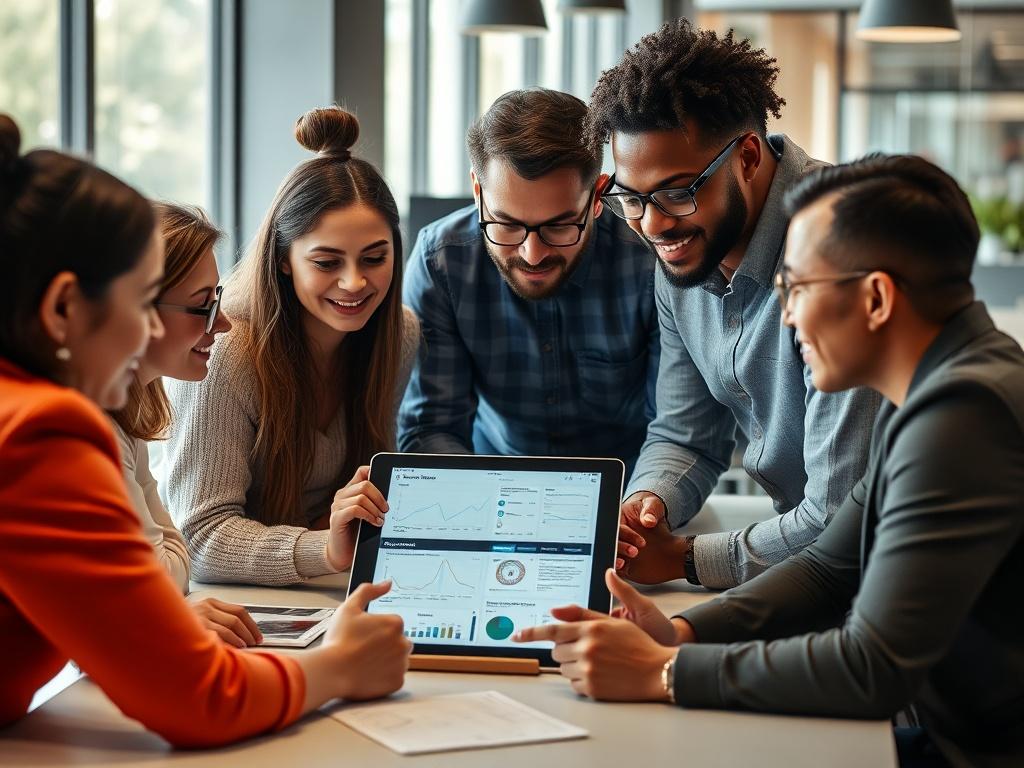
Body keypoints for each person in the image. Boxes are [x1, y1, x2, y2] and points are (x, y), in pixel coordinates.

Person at [515, 155, 1024, 768]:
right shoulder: (930, 392)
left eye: (797, 288)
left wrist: (667, 672)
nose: (786, 315)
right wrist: (681, 633)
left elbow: (872, 668)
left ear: (876, 298)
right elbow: (828, 568)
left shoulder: (965, 416)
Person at [0, 114, 411, 746]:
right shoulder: (36, 432)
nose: (206, 334)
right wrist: (342, 666)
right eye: (144, 304)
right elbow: (199, 700)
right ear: (62, 309)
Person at [589, 20, 880, 589]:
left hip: (905, 579)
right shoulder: (681, 255)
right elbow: (685, 434)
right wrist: (647, 508)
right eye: (631, 198)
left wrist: (685, 558)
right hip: (812, 574)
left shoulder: (842, 245)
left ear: (747, 156)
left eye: (677, 191)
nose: (652, 224)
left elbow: (842, 517)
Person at [166, 106, 420, 586]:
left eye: (374, 257)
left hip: (325, 589)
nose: (354, 282)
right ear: (284, 260)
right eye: (326, 262)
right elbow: (199, 536)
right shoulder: (226, 352)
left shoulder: (399, 335)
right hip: (239, 597)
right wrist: (324, 546)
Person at [398, 88, 657, 474]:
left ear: (598, 195)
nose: (532, 254)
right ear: (477, 191)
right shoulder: (441, 262)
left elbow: (672, 427)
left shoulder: (649, 260)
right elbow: (431, 427)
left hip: (625, 491)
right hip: (491, 487)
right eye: (506, 224)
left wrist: (641, 504)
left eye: (559, 226)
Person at [110, 202, 262, 647]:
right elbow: (163, 571)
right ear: (138, 309)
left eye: (218, 300)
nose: (225, 323)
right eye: (203, 307)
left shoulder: (127, 412)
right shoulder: (87, 424)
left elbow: (174, 564)